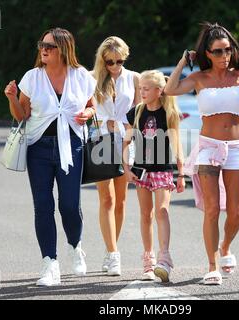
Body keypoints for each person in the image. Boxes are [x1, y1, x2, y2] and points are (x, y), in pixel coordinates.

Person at [164, 22, 239, 285]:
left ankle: (225, 246)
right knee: (211, 211)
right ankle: (212, 265)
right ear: (207, 53)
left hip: (236, 149)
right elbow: (170, 90)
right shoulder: (199, 79)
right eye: (217, 51)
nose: (224, 56)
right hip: (208, 148)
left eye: (227, 50)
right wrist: (183, 63)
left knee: (236, 213)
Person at [4, 28, 96, 286]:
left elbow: (92, 106)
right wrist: (12, 97)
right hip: (39, 148)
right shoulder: (32, 77)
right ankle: (49, 263)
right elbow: (21, 116)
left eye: (49, 46)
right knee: (43, 206)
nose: (43, 49)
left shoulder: (81, 76)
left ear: (64, 49)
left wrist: (87, 115)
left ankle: (76, 246)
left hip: (72, 146)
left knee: (69, 204)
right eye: (41, 44)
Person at [123, 70, 185, 282]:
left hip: (163, 170)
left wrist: (180, 174)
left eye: (146, 89)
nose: (142, 92)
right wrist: (126, 167)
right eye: (140, 88)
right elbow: (126, 142)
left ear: (159, 91)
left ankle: (164, 258)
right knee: (145, 214)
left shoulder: (169, 114)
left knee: (162, 211)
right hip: (141, 170)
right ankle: (148, 261)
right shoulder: (136, 112)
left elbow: (177, 145)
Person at [91, 36, 141, 276]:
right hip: (100, 141)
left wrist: (123, 130)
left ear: (125, 57)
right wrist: (102, 122)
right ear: (103, 59)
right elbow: (84, 110)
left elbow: (141, 116)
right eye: (110, 61)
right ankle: (113, 254)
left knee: (121, 202)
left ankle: (111, 250)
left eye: (119, 61)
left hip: (125, 142)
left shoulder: (134, 78)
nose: (114, 66)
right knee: (107, 199)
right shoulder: (91, 78)